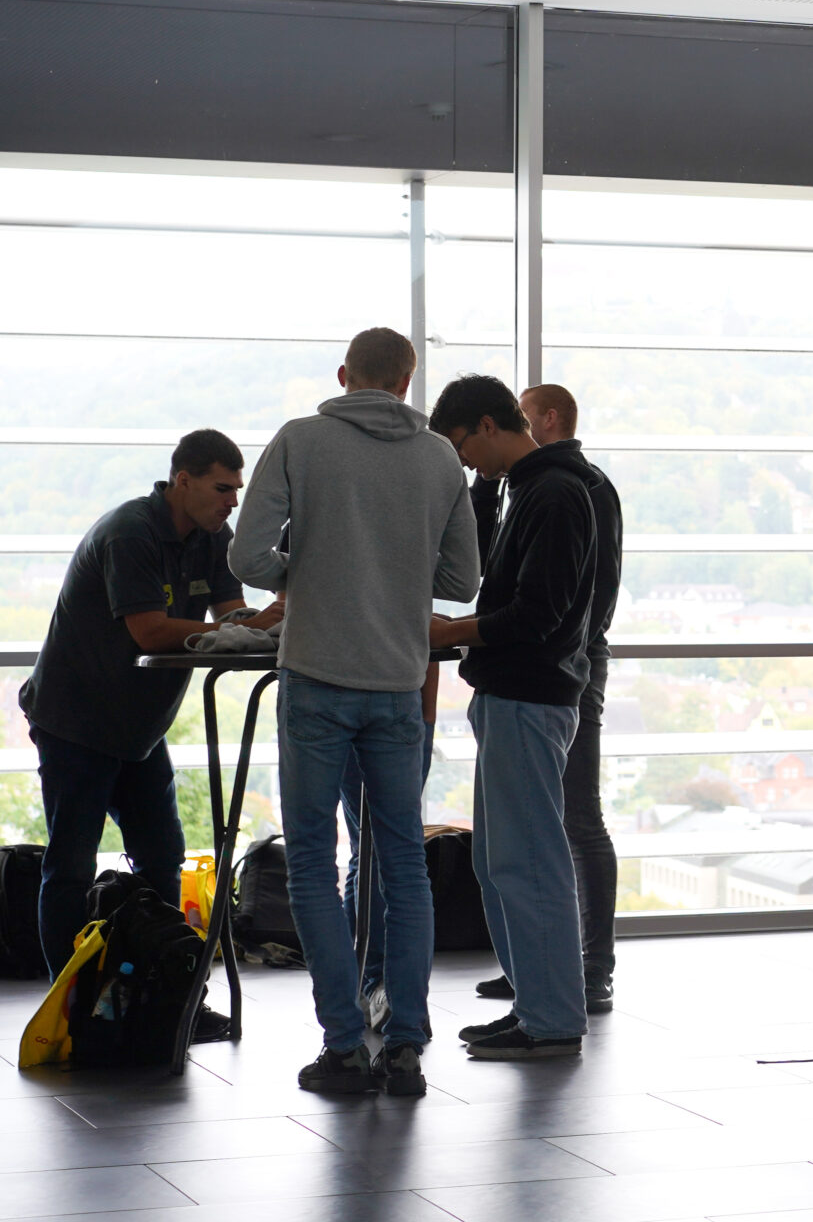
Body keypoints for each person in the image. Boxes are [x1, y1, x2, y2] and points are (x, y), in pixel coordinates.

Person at [231, 329, 481, 1095]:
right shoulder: (440, 457)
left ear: (344, 375)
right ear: (407, 382)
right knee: (403, 864)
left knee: (313, 863)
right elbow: (462, 579)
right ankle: (405, 1044)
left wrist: (303, 572)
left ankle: (343, 1045)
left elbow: (245, 560)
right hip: (398, 685)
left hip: (315, 677)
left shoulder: (301, 440)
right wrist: (397, 577)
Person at [22, 431, 276, 994]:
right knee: (69, 866)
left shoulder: (213, 537)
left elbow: (231, 615)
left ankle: (163, 994)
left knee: (164, 860)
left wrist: (274, 616)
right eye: (222, 488)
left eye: (237, 490)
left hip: (139, 730)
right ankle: (70, 1004)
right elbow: (152, 632)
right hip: (77, 723)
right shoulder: (131, 532)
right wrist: (246, 626)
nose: (232, 501)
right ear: (182, 481)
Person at [427, 376, 600, 1062]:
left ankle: (553, 1018)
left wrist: (451, 634)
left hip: (532, 696)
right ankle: (537, 1005)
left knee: (529, 862)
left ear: (488, 426)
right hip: (516, 695)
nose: (465, 461)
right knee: (504, 861)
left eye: (463, 445)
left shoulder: (556, 493)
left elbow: (540, 613)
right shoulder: (526, 489)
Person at [470, 384, 624, 1015]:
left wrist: (570, 657)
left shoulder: (578, 487)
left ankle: (591, 969)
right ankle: (539, 968)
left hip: (565, 664)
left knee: (575, 817)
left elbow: (588, 591)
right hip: (550, 662)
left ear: (549, 419)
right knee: (527, 830)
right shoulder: (519, 487)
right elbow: (485, 564)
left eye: (526, 417)